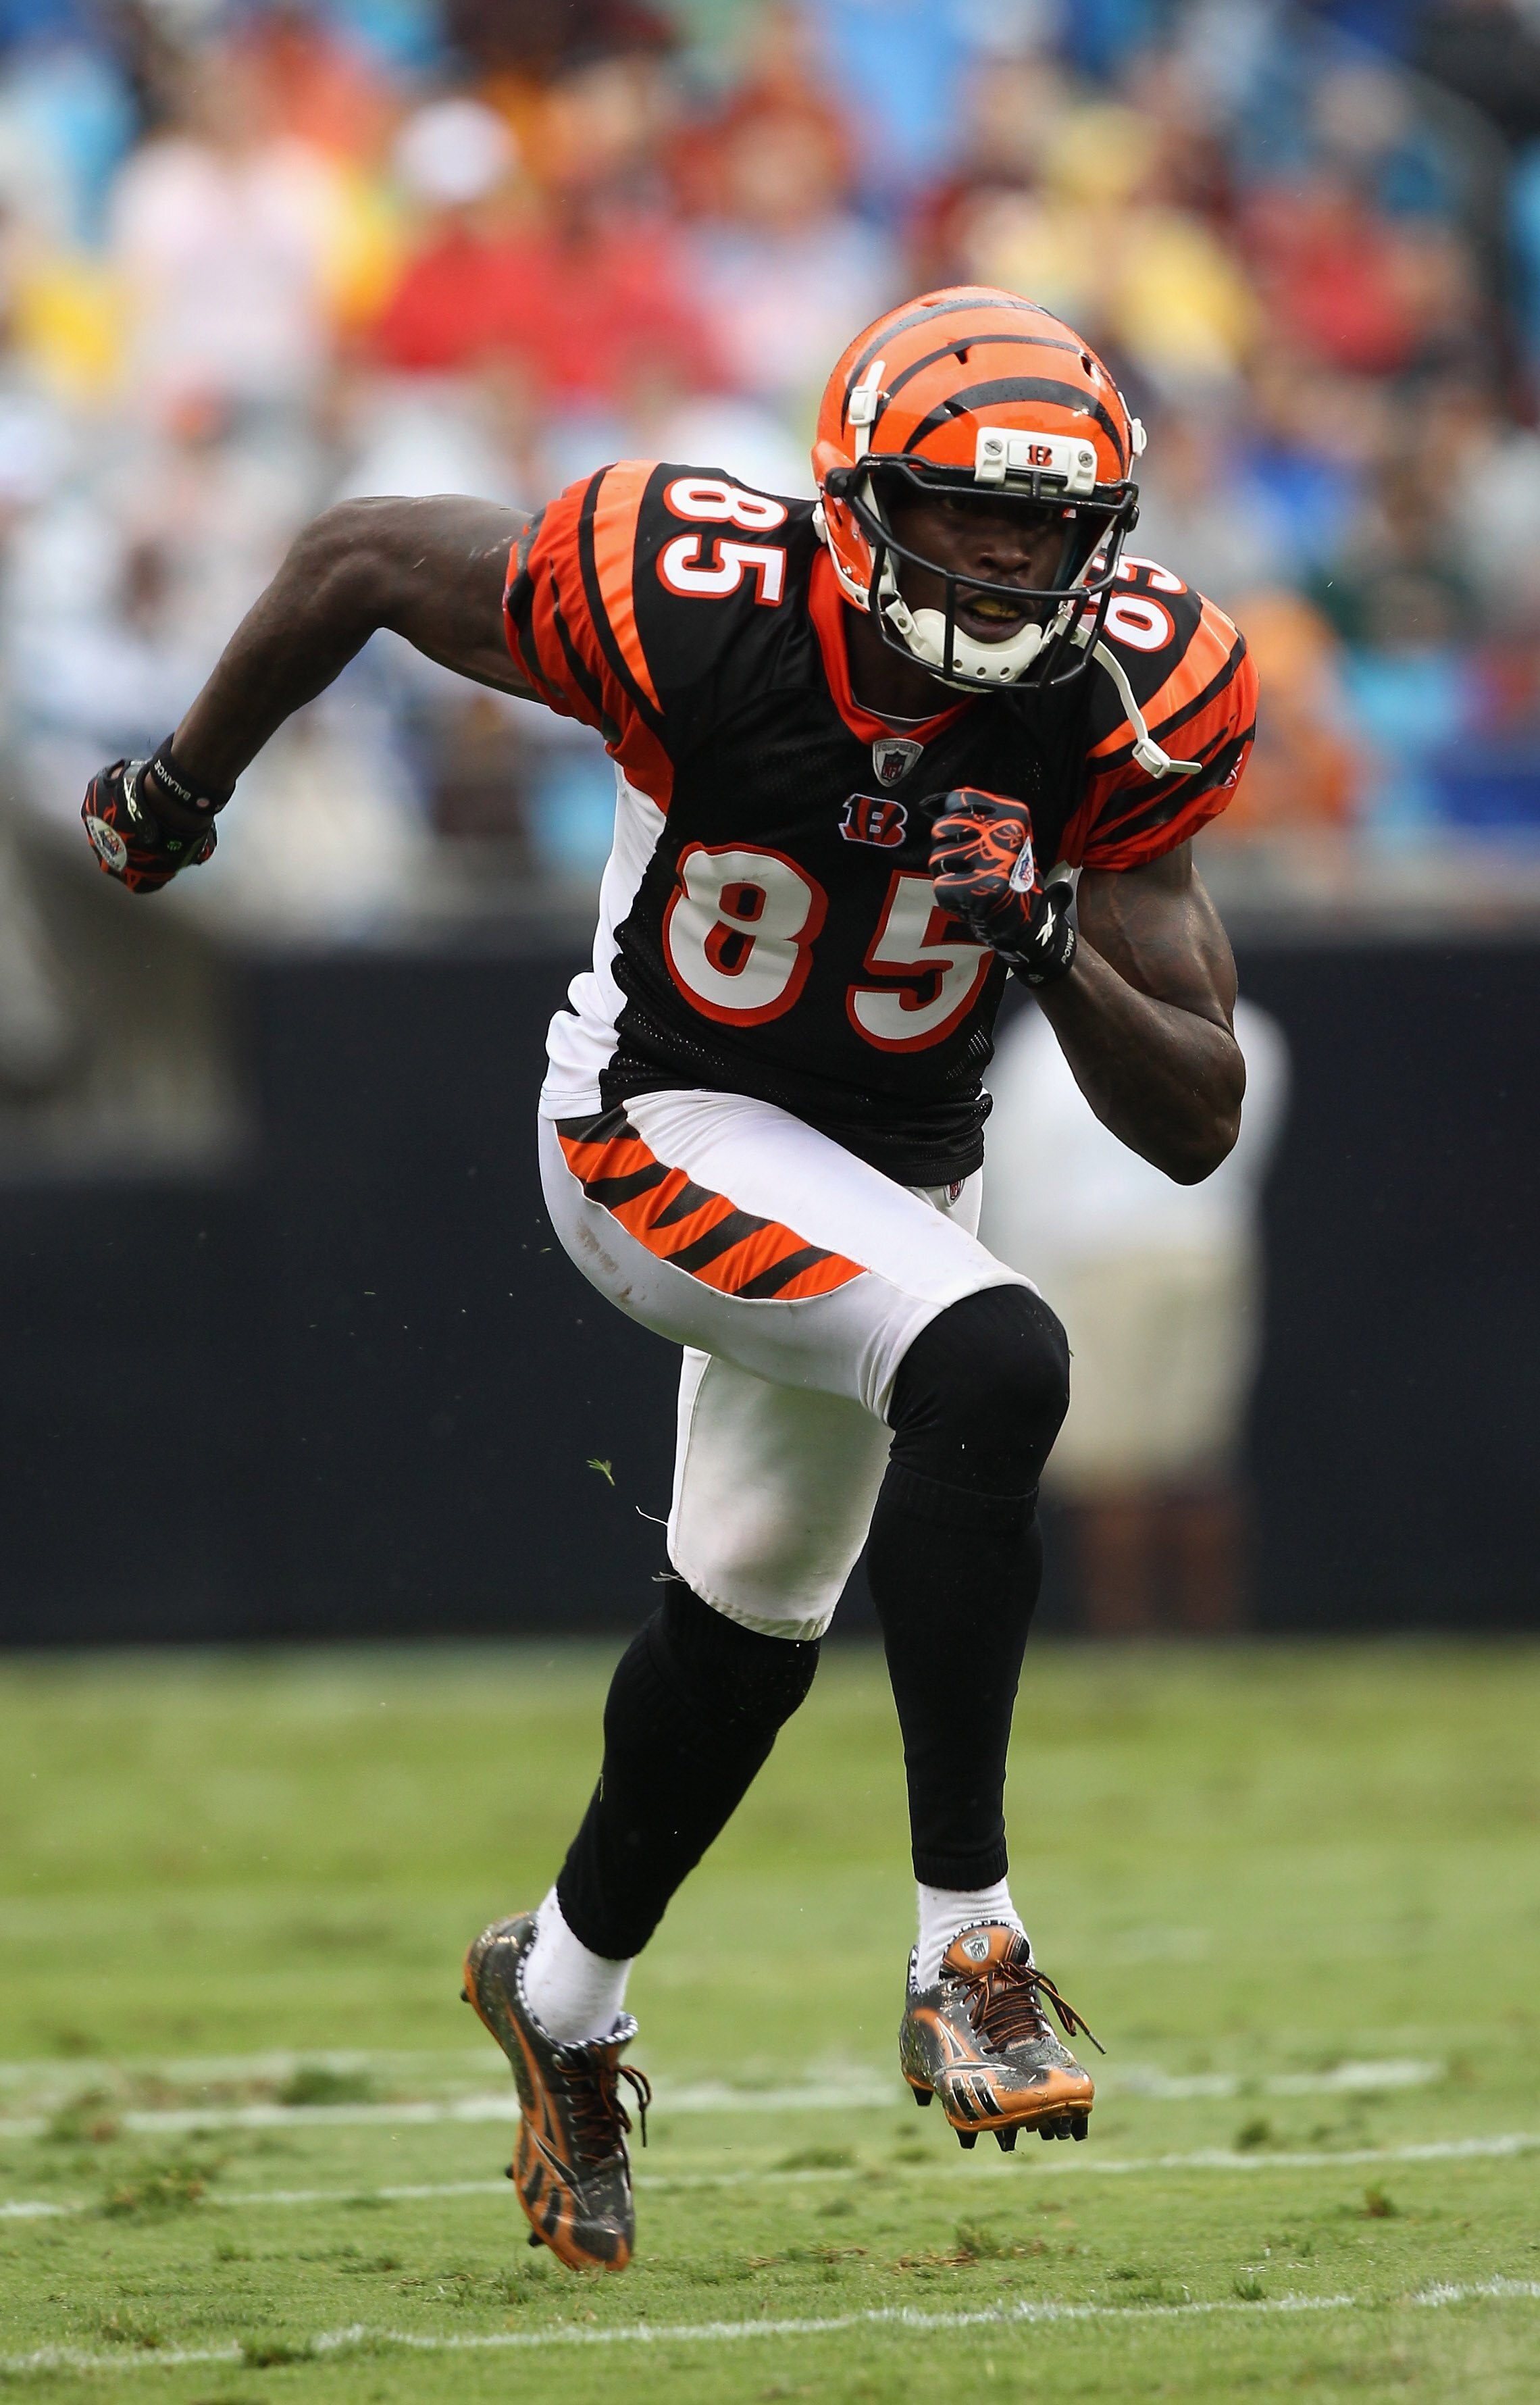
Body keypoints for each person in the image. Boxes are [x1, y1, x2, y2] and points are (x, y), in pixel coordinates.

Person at [77, 286, 1257, 2272]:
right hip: (657, 1122)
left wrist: (1046, 930)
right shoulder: (695, 593)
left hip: (891, 1174)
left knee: (744, 1634)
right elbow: (359, 554)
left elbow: (1198, 1108)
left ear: (1101, 541)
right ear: (854, 499)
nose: (997, 564)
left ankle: (557, 1989)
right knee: (995, 1355)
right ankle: (967, 1939)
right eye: (955, 516)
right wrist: (180, 789)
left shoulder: (1125, 695)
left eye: (1037, 532)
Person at [981, 994, 1289, 1635]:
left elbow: (1013, 1164)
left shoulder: (1050, 1041)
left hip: (1099, 1256)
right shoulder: (1243, 1029)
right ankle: (1209, 1645)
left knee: (1113, 1469)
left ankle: (1130, 1647)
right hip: (1205, 1245)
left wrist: (1017, 1277)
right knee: (1197, 1463)